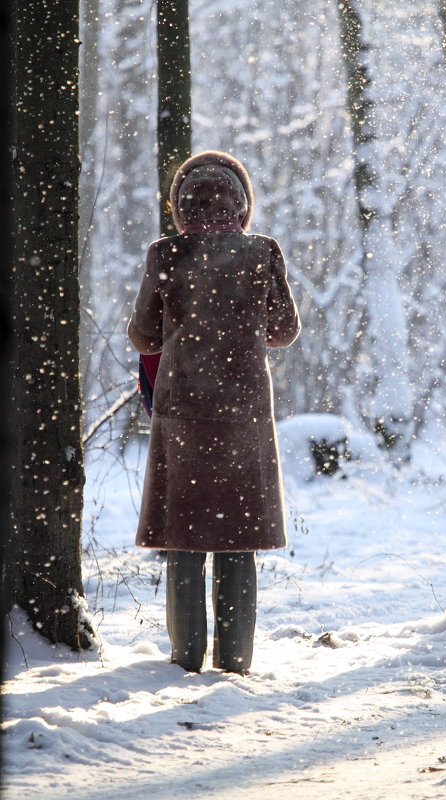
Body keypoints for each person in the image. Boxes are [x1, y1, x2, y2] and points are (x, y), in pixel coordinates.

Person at [127, 151, 300, 674]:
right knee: (238, 537)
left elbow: (143, 334)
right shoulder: (262, 251)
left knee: (183, 536)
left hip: (181, 411)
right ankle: (236, 660)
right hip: (245, 414)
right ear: (242, 205)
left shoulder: (165, 254)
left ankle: (183, 660)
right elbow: (284, 331)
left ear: (179, 207)